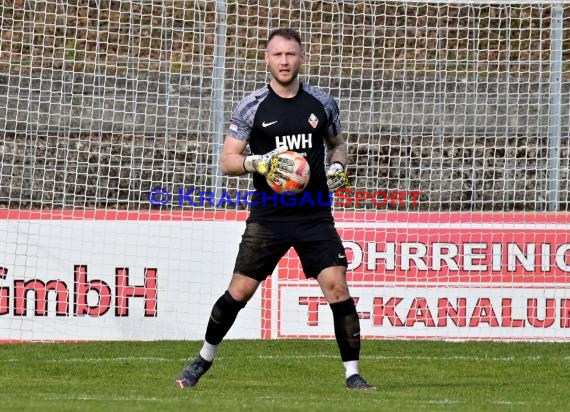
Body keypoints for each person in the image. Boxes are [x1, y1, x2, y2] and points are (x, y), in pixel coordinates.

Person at [176, 28, 375, 391]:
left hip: (314, 213)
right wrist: (260, 163)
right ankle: (202, 360)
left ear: (301, 58)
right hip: (269, 215)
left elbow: (339, 145)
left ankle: (353, 374)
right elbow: (227, 161)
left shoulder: (322, 103)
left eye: (291, 55)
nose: (284, 61)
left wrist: (338, 168)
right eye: (278, 55)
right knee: (239, 292)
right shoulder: (252, 106)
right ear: (267, 59)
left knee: (338, 289)